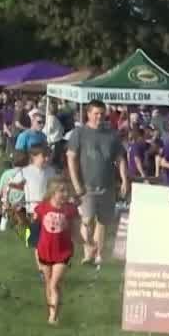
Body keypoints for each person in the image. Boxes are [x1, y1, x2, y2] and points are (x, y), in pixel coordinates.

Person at [66, 100, 128, 267]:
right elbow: (71, 158)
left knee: (102, 222)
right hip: (86, 185)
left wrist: (124, 180)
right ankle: (88, 249)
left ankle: (98, 254)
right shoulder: (79, 133)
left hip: (107, 185)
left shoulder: (111, 135)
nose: (99, 116)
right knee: (86, 219)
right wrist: (76, 183)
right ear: (88, 114)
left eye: (102, 113)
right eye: (96, 113)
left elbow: (120, 158)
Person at [32, 177, 78, 325]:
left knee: (54, 284)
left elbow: (76, 230)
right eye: (61, 191)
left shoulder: (70, 209)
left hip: (63, 252)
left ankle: (52, 317)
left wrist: (88, 242)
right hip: (44, 251)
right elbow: (34, 231)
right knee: (48, 283)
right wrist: (35, 251)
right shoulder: (42, 207)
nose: (65, 194)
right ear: (52, 192)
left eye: (67, 190)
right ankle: (53, 312)